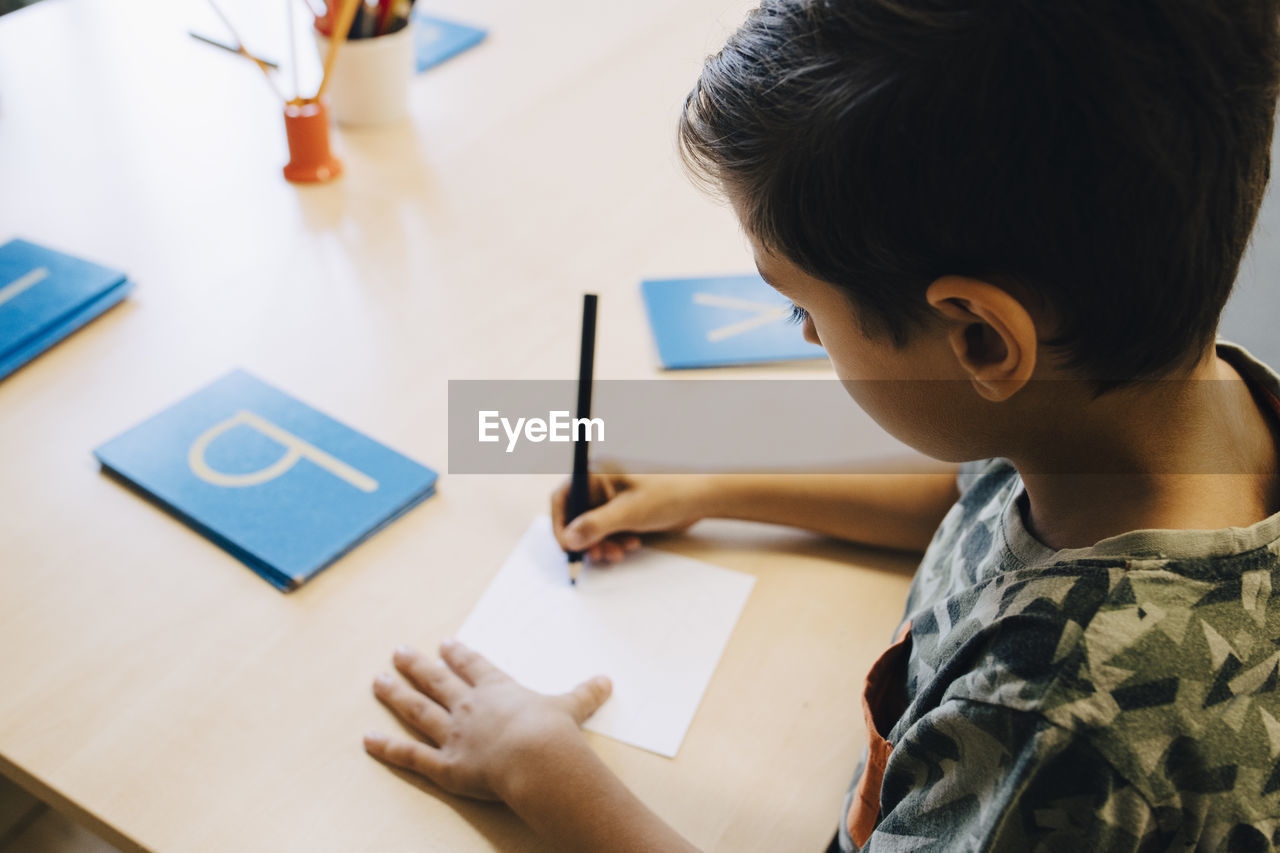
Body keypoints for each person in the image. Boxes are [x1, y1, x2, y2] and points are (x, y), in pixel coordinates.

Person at [362, 0, 1280, 848]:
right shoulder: (1167, 406)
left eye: (800, 308)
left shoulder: (1053, 719)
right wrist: (716, 485)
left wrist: (543, 770)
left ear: (980, 340)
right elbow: (963, 502)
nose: (802, 334)